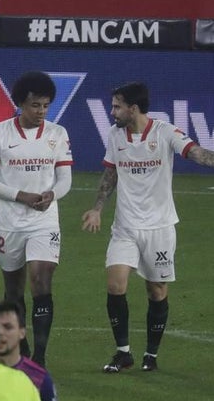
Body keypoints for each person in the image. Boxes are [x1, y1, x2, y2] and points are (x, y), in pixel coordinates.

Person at [81, 81, 214, 372]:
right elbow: (110, 174)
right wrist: (98, 208)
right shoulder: (115, 135)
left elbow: (195, 153)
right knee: (115, 285)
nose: (112, 111)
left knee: (156, 291)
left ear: (133, 108)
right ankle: (123, 352)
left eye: (117, 106)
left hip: (160, 228)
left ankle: (150, 356)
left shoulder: (165, 132)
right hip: (125, 226)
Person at [0, 71, 73, 367]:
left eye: (46, 106)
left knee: (41, 280)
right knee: (13, 290)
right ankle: (24, 347)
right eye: (35, 105)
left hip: (44, 220)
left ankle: (40, 358)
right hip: (9, 221)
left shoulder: (58, 134)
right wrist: (21, 196)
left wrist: (52, 195)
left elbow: (65, 178)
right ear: (20, 103)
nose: (41, 112)